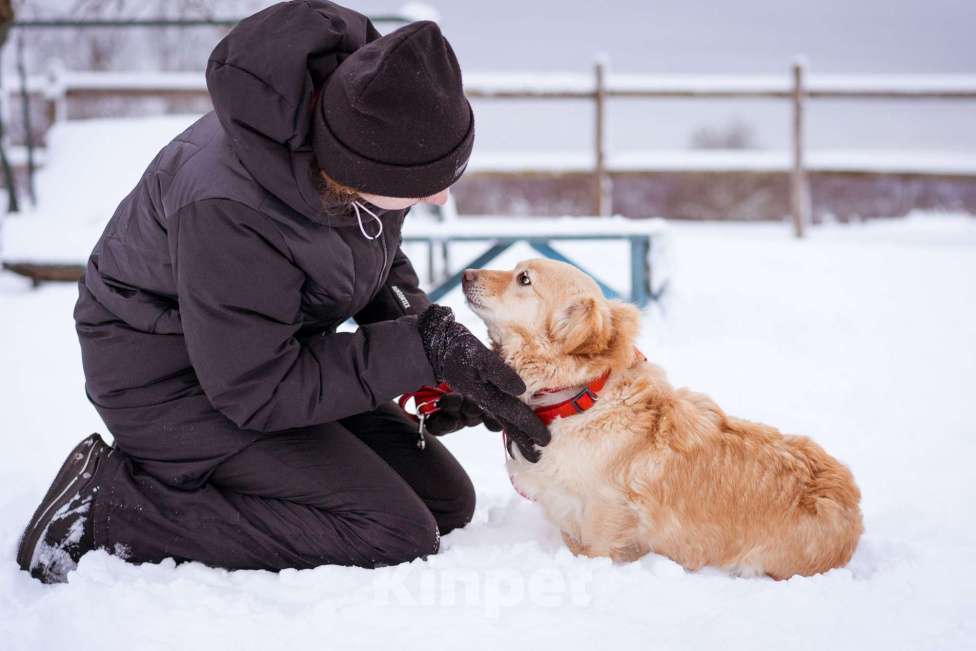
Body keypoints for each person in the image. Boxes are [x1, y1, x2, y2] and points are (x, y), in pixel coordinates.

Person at [16, 0, 549, 584]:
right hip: (172, 383)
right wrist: (418, 347)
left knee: (447, 503)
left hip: (264, 354)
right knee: (391, 532)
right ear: (362, 170)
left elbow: (370, 254)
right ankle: (108, 508)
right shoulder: (228, 207)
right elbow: (256, 388)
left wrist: (429, 359)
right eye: (425, 186)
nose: (438, 200)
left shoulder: (352, 131)